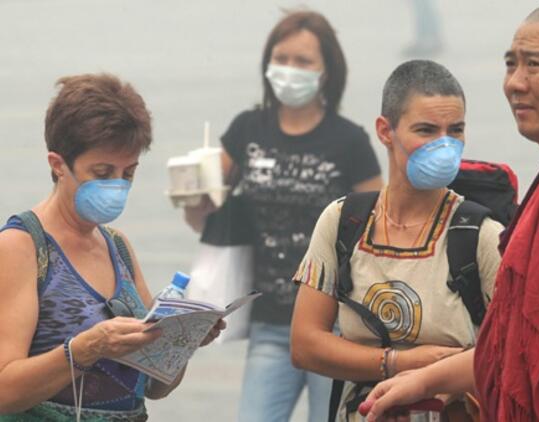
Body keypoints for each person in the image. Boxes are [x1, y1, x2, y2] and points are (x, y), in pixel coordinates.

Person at [363, 2, 539, 421]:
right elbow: (514, 347)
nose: (515, 83)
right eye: (511, 65)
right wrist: (423, 380)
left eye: (534, 65)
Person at [184, 10, 382, 422]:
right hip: (271, 322)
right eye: (282, 58)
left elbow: (379, 228)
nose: (290, 69)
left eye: (303, 61)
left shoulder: (350, 141)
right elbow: (204, 218)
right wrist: (190, 194)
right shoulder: (247, 130)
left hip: (338, 325)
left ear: (326, 70)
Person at [0, 73, 224, 421]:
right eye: (102, 172)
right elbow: (4, 390)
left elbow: (154, 387)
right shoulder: (22, 246)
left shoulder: (117, 247)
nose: (117, 186)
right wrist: (85, 349)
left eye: (128, 173)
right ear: (58, 165)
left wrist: (182, 342)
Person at [289, 59, 504, 421]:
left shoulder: (481, 236)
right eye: (426, 130)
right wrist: (400, 362)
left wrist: (434, 378)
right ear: (385, 131)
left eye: (456, 130)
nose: (445, 145)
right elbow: (305, 344)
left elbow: (510, 353)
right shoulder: (343, 222)